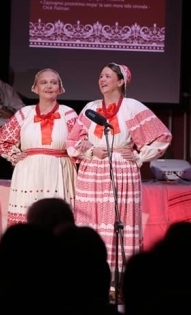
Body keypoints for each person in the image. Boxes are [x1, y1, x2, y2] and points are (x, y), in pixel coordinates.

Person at [66, 62, 171, 276]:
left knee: (118, 220)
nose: (102, 80)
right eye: (101, 76)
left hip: (122, 169)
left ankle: (119, 277)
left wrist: (140, 155)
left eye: (107, 76)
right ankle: (90, 274)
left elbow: (162, 136)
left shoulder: (132, 106)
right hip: (92, 169)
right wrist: (88, 151)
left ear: (121, 81)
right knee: (90, 221)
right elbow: (72, 141)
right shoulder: (91, 108)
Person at [0, 68, 78, 226]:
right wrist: (13, 154)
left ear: (60, 88)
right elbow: (0, 140)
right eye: (44, 82)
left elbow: (80, 142)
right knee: (29, 218)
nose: (49, 86)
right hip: (29, 172)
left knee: (57, 217)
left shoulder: (68, 113)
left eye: (54, 82)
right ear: (36, 88)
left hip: (59, 170)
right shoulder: (25, 113)